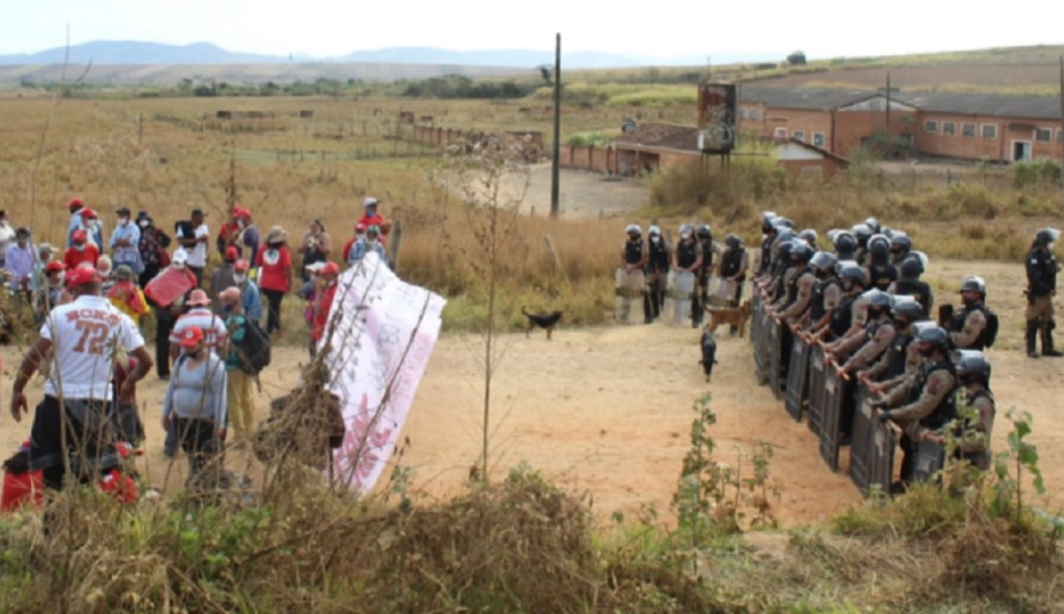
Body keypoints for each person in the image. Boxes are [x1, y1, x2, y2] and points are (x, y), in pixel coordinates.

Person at [9, 266, 153, 495]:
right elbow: (145, 361)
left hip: (58, 401)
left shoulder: (60, 314)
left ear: (75, 288)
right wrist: (129, 382)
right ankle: (82, 522)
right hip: (97, 404)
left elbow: (35, 354)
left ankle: (53, 524)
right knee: (88, 473)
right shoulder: (119, 318)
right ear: (99, 288)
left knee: (53, 477)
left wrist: (18, 389)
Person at [874, 325, 957, 490]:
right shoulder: (927, 365)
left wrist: (893, 413)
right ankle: (905, 484)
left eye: (924, 344)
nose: (919, 347)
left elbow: (923, 407)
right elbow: (909, 383)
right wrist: (888, 401)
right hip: (920, 423)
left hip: (933, 426)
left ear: (937, 347)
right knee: (909, 450)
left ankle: (917, 494)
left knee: (925, 466)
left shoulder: (940, 375)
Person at [162, 326, 227, 485]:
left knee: (204, 457)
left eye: (192, 345)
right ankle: (196, 482)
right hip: (182, 420)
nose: (188, 348)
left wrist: (219, 423)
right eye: (186, 345)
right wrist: (166, 412)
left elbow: (220, 395)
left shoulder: (214, 365)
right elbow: (172, 387)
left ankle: (203, 486)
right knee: (191, 454)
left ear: (202, 342)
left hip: (204, 421)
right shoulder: (181, 361)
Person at [143, 249, 198, 380]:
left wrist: (183, 309)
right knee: (163, 342)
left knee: (182, 342)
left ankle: (180, 369)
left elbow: (192, 297)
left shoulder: (190, 278)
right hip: (165, 314)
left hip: (180, 314)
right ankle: (163, 371)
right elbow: (150, 293)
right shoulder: (163, 276)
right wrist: (166, 307)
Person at [219, 287, 257, 444]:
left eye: (224, 301)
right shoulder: (245, 320)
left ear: (231, 303)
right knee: (247, 397)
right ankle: (250, 431)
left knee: (234, 401)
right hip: (247, 364)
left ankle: (240, 437)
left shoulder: (230, 322)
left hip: (233, 366)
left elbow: (226, 346)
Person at [1025, 227, 1062, 359]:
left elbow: (1051, 268)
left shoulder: (1047, 254)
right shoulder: (1034, 256)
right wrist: (1045, 287)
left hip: (1047, 294)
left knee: (1048, 322)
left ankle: (1048, 348)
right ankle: (1031, 348)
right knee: (1033, 322)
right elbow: (1034, 277)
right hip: (1038, 294)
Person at [169, 289, 229, 365]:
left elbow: (173, 347)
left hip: (187, 364)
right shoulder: (216, 320)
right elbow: (224, 345)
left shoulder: (182, 320)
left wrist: (176, 363)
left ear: (191, 304)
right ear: (206, 304)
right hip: (210, 364)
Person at [257, 225, 294, 337]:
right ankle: (269, 329)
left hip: (265, 282)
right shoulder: (283, 251)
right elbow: (287, 268)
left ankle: (277, 329)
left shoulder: (263, 249)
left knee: (273, 306)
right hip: (278, 283)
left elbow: (258, 263)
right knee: (274, 306)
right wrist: (290, 282)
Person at [945, 275, 993, 351]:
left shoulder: (976, 315)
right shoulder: (965, 311)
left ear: (978, 294)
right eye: (963, 292)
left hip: (965, 355)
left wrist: (945, 335)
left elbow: (965, 340)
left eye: (968, 292)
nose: (964, 295)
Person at [671, 224, 702, 327]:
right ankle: (678, 318)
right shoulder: (679, 245)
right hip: (680, 274)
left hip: (692, 275)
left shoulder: (697, 245)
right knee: (679, 295)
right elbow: (674, 256)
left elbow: (699, 260)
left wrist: (691, 268)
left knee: (694, 296)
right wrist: (676, 267)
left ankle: (696, 319)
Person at [311, 262, 342, 353]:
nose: (323, 277)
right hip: (323, 331)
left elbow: (318, 311)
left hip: (324, 333)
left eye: (325, 274)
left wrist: (318, 290)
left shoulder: (333, 291)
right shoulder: (330, 288)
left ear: (333, 275)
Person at [176, 207, 210, 287]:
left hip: (200, 263)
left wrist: (206, 253)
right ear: (194, 217)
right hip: (188, 262)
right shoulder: (183, 227)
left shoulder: (204, 228)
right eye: (201, 217)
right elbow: (181, 241)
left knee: (197, 286)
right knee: (187, 287)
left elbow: (206, 241)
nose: (203, 219)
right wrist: (198, 240)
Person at [643, 225, 670, 323]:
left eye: (655, 234)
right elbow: (645, 257)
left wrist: (662, 269)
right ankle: (655, 312)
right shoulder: (646, 245)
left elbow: (670, 258)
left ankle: (664, 311)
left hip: (663, 271)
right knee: (651, 292)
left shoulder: (666, 245)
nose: (653, 236)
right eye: (651, 234)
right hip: (650, 272)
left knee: (663, 292)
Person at [136, 211, 170, 288]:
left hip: (153, 262)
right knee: (142, 284)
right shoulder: (136, 231)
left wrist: (160, 244)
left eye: (144, 220)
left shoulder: (155, 230)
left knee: (153, 285)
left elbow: (167, 241)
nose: (143, 222)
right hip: (141, 263)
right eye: (141, 220)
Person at [716, 233, 748, 310]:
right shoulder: (725, 252)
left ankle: (733, 320)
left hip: (736, 282)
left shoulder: (743, 253)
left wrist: (733, 278)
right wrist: (720, 276)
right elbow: (720, 265)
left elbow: (743, 269)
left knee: (734, 303)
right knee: (720, 301)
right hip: (725, 280)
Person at [5, 227, 36, 304]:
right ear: (18, 238)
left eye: (26, 237)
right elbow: (9, 267)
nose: (24, 240)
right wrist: (20, 279)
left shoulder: (33, 249)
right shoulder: (10, 250)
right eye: (22, 237)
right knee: (16, 307)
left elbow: (35, 265)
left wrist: (29, 277)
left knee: (29, 305)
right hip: (15, 284)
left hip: (30, 284)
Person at [109, 206, 142, 276]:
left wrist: (118, 241)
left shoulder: (134, 228)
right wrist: (122, 241)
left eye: (122, 216)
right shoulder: (117, 229)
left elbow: (131, 242)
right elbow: (111, 244)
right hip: (118, 260)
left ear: (128, 217)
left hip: (130, 260)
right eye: (119, 216)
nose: (120, 218)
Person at [693, 223, 715, 326]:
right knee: (696, 294)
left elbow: (721, 253)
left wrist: (714, 266)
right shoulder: (695, 244)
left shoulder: (711, 244)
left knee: (704, 293)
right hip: (696, 271)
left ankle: (702, 313)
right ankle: (696, 314)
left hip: (706, 271)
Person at [209, 246, 239, 314]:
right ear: (235, 259)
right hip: (230, 313)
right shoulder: (236, 274)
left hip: (216, 311)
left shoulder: (215, 272)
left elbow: (211, 292)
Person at [233, 259, 263, 325]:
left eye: (241, 271)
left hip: (251, 320)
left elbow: (243, 305)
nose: (238, 274)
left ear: (246, 272)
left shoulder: (249, 288)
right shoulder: (239, 284)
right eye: (237, 271)